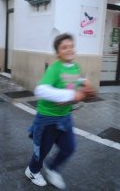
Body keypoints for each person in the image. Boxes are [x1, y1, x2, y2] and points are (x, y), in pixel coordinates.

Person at [25, 33, 95, 189]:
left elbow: (74, 78)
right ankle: (32, 171)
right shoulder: (54, 68)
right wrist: (72, 94)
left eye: (71, 46)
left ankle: (52, 167)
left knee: (69, 148)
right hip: (47, 118)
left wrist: (84, 81)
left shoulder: (75, 66)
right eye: (64, 47)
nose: (69, 49)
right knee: (42, 150)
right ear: (58, 52)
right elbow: (40, 90)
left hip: (65, 116)